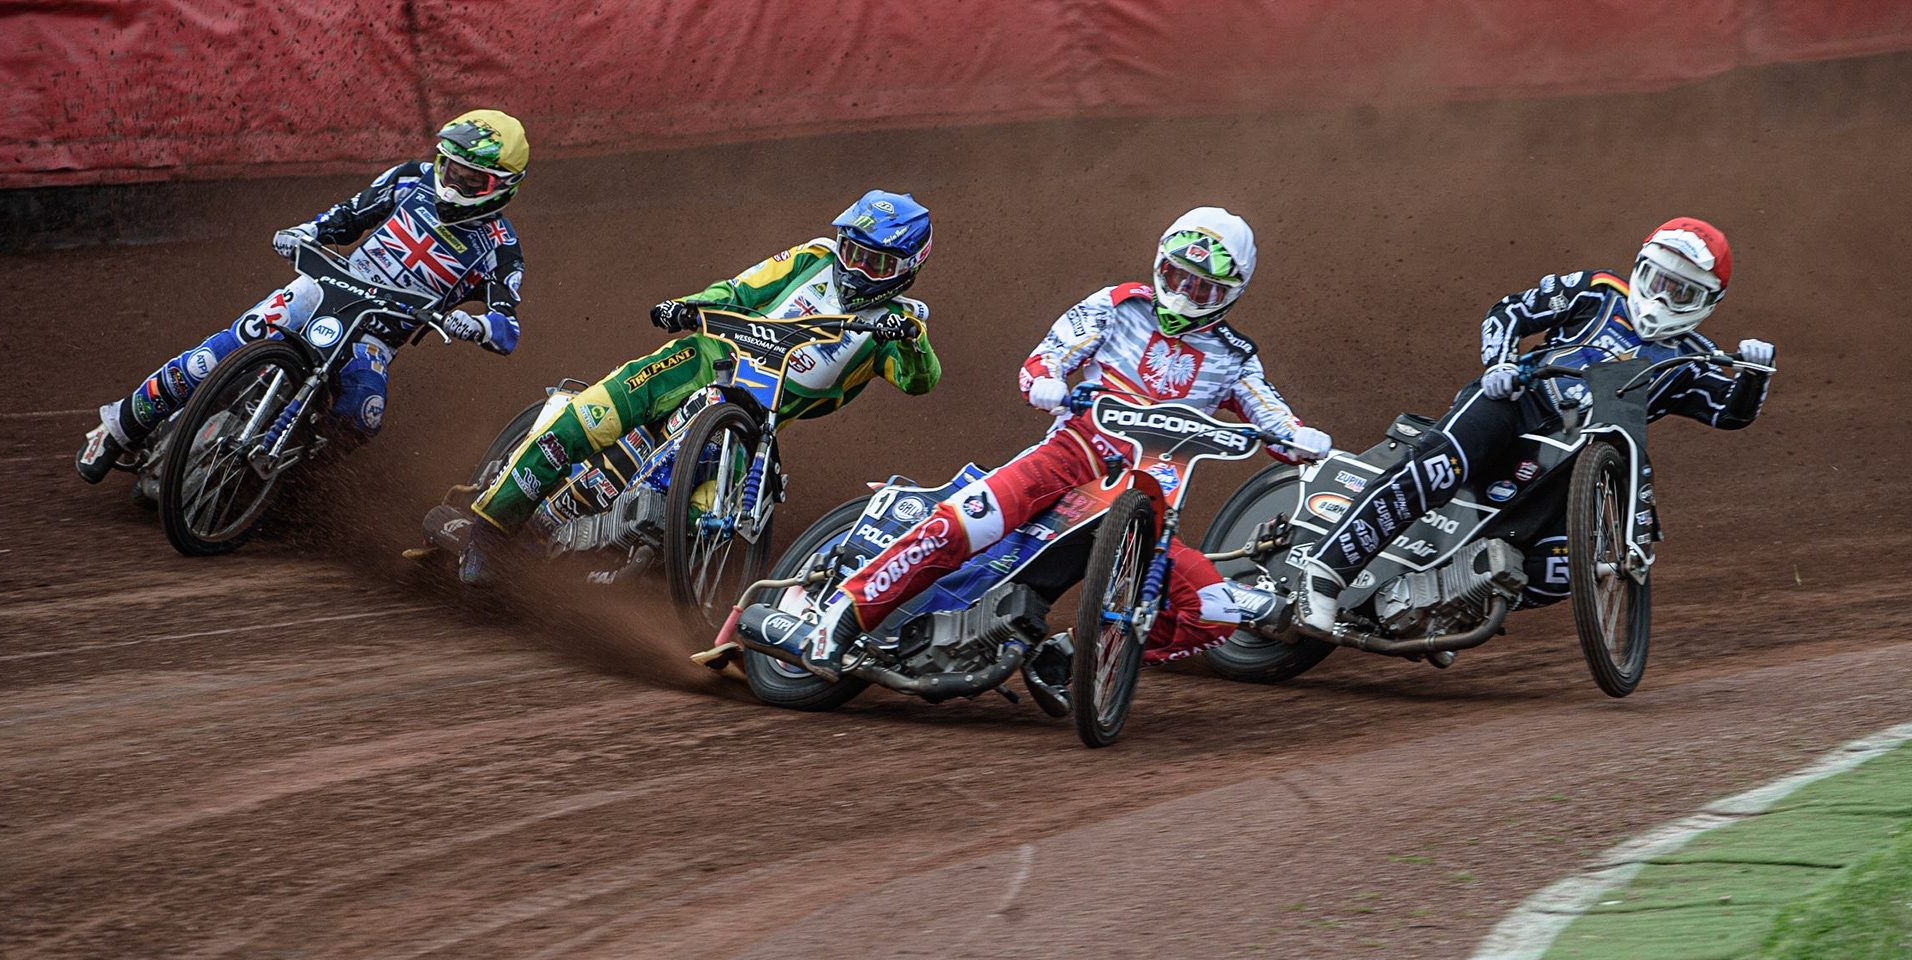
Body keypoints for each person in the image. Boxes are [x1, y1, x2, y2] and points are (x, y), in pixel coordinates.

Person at [754, 206, 1334, 681]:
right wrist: (1048, 379)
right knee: (962, 524)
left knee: (1210, 612)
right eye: (1177, 274)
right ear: (1160, 264)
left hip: (1152, 496)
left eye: (1203, 286)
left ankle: (1073, 654)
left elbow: (1270, 412)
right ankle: (840, 620)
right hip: (1073, 456)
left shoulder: (1234, 357)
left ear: (1231, 292)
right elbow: (1051, 353)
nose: (1184, 292)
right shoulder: (1118, 304)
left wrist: (1299, 437)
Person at [1294, 217, 1775, 631]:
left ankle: (1445, 599)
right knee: (1436, 469)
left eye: (1681, 291)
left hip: (1578, 457)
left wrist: (1753, 374)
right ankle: (1326, 573)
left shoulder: (1693, 359)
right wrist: (1499, 363)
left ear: (1707, 302)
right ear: (1639, 269)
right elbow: (1510, 311)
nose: (1661, 298)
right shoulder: (1597, 290)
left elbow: (1730, 412)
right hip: (1517, 403)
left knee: (1560, 570)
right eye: (1656, 280)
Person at [446, 189, 940, 582]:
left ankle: (620, 569)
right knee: (583, 422)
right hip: (701, 361)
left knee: (699, 520)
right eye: (851, 250)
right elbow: (738, 289)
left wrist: (912, 340)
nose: (853, 267)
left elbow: (921, 381)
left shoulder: (896, 325)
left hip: (754, 420)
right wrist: (686, 306)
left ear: (906, 267)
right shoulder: (812, 258)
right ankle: (486, 537)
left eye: (872, 262)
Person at [76, 109, 530, 484]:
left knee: (363, 416)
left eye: (472, 181)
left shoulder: (500, 248)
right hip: (326, 286)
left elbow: (507, 326)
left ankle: (288, 484)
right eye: (451, 168)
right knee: (222, 351)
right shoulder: (411, 179)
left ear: (503, 186)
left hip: (378, 335)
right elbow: (346, 218)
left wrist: (476, 325)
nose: (453, 184)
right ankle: (118, 428)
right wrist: (304, 232)